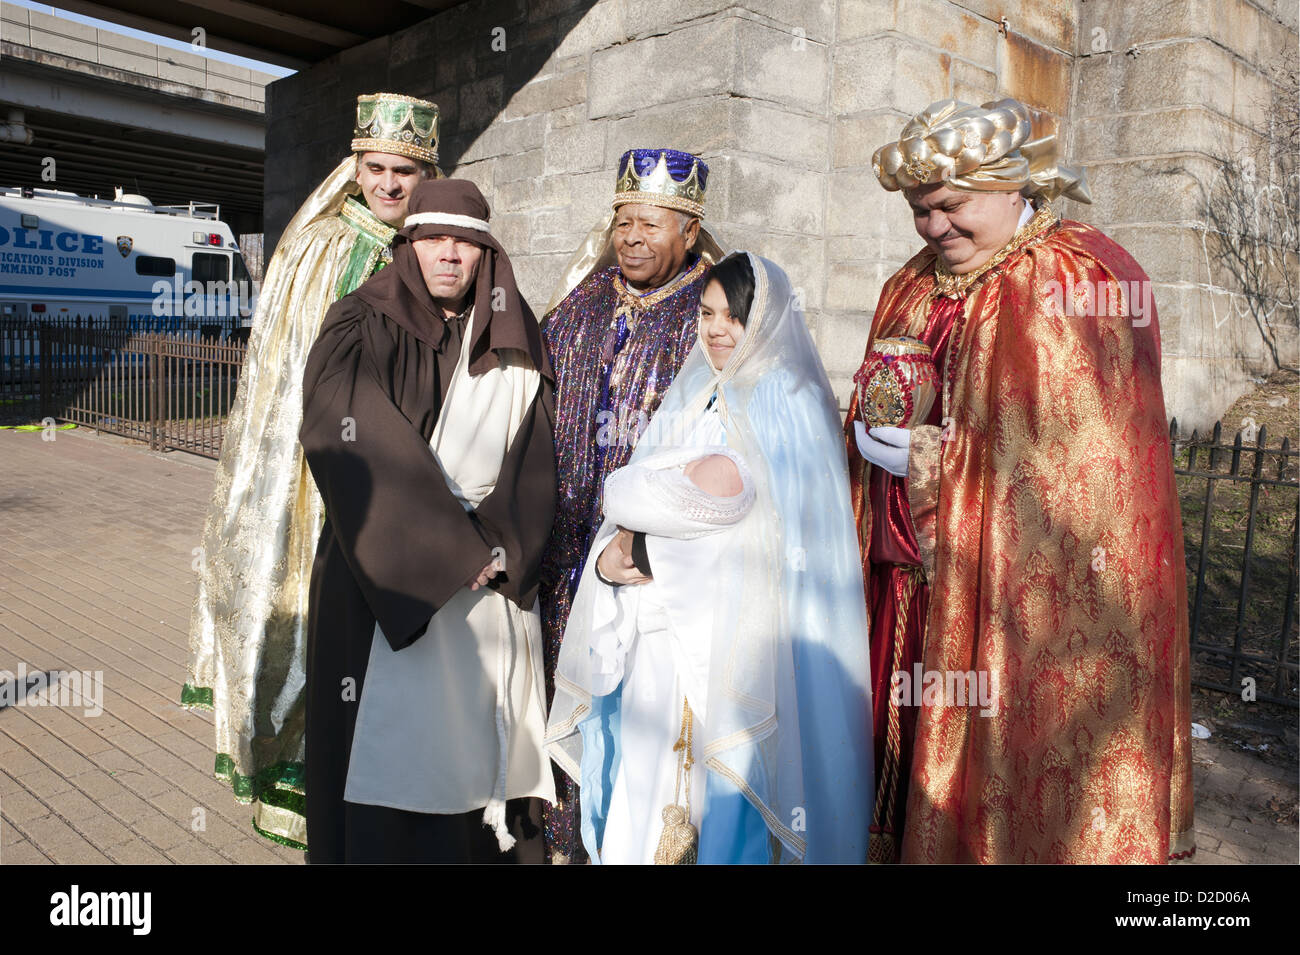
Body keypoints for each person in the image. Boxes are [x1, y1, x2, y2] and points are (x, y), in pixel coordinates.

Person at [847, 97, 1194, 863]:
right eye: (918, 211)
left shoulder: (1078, 277)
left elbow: (1078, 479)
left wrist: (930, 463)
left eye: (950, 206)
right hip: (916, 590)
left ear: (1014, 184)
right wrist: (871, 450)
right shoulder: (912, 284)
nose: (935, 228)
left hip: (1020, 613)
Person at [547, 252, 873, 864]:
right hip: (659, 645)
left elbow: (777, 534)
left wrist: (648, 543)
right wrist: (610, 558)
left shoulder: (790, 400)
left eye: (735, 316)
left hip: (736, 652)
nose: (717, 329)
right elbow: (631, 493)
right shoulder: (691, 394)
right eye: (706, 313)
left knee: (724, 793)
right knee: (649, 777)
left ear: (768, 321)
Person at [182, 93, 441, 850]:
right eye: (376, 168)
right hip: (324, 483)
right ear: (354, 167)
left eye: (406, 170)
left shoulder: (435, 246)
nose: (390, 184)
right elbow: (289, 380)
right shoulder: (320, 246)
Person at [296, 179, 555, 863]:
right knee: (386, 764)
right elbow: (344, 432)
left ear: (485, 253)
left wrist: (500, 544)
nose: (450, 254)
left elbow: (536, 450)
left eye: (466, 242)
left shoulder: (513, 333)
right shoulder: (360, 321)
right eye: (435, 239)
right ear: (409, 245)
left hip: (489, 580)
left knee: (475, 761)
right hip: (380, 572)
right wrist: (447, 547)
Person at [538, 147, 727, 862]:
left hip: (644, 566)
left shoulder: (711, 314)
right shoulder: (582, 303)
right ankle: (563, 835)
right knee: (563, 688)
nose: (631, 237)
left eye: (649, 223)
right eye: (622, 222)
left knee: (627, 716)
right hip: (561, 552)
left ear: (688, 230)